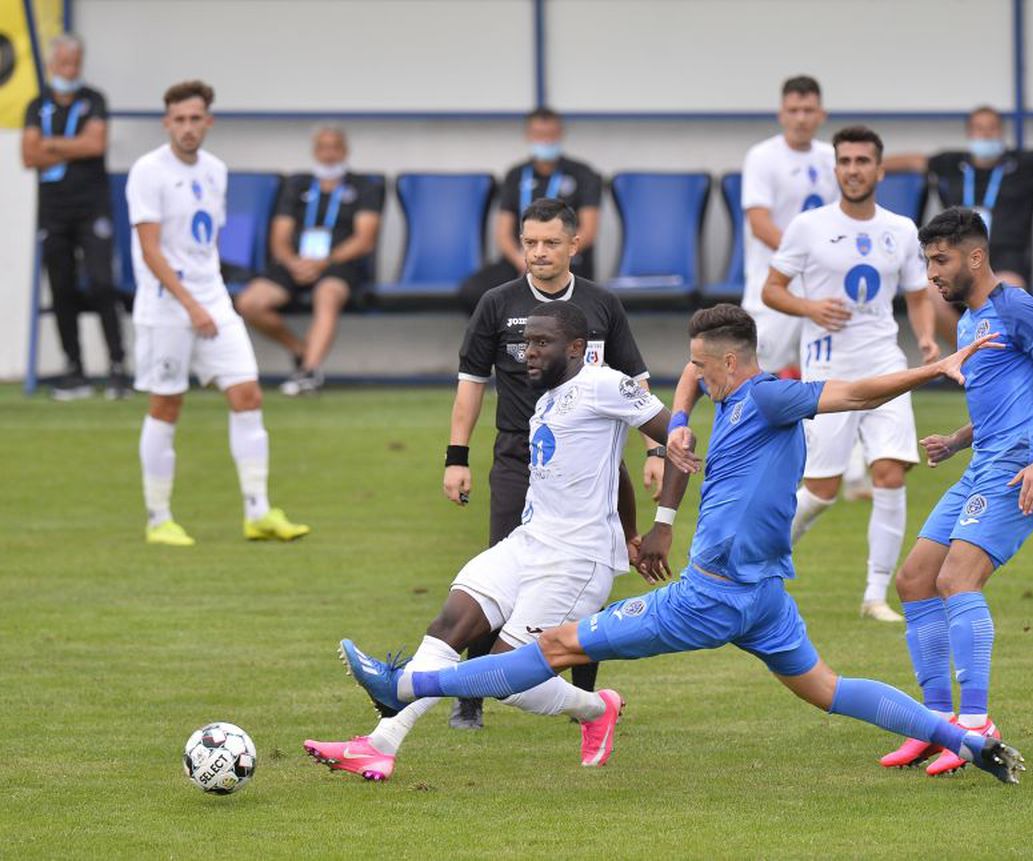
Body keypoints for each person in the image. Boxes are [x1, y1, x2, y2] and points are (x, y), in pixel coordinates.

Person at [314, 304, 1026, 785]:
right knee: (829, 690)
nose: (694, 372)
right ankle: (968, 740)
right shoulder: (723, 390)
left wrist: (934, 369)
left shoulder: (769, 397)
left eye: (701, 366)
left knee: (555, 646)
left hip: (707, 596)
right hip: (765, 601)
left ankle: (402, 686)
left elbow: (857, 393)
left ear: (731, 363)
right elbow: (685, 377)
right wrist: (679, 418)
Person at [303, 301, 672, 780]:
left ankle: (594, 709)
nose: (528, 354)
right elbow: (613, 467)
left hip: (576, 560)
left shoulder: (605, 384)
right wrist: (629, 532)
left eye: (542, 343)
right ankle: (380, 745)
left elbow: (678, 439)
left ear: (578, 348)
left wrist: (661, 524)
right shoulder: (547, 400)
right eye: (525, 343)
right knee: (452, 622)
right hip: (528, 542)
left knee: (507, 679)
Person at [880, 207, 1033, 776]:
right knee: (915, 579)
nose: (931, 275)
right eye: (927, 262)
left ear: (976, 257)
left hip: (1018, 469)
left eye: (940, 261)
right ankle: (935, 723)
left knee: (956, 580)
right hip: (983, 464)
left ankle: (975, 725)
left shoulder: (1017, 308)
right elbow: (1011, 396)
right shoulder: (970, 320)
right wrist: (959, 438)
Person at [442, 197, 661, 729]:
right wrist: (456, 457)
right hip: (519, 452)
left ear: (574, 245)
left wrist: (655, 449)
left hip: (587, 458)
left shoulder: (601, 304)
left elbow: (634, 381)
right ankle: (470, 697)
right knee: (500, 569)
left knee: (581, 586)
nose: (538, 253)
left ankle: (582, 697)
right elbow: (471, 385)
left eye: (550, 243)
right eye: (530, 243)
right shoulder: (497, 303)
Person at [753, 126, 938, 623]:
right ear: (836, 169)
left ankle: (876, 595)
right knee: (820, 491)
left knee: (890, 472)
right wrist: (810, 307)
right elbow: (773, 290)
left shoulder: (901, 229)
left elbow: (918, 293)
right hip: (829, 371)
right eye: (846, 161)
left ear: (880, 169)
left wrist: (923, 339)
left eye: (863, 161)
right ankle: (756, 565)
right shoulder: (809, 226)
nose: (853, 170)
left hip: (885, 363)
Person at [127, 80, 309, 546]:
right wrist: (189, 304)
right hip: (167, 308)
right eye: (179, 120)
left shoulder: (215, 170)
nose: (188, 128)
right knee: (166, 404)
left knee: (247, 393)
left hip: (213, 303)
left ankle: (258, 511)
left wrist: (212, 300)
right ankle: (157, 517)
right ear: (167, 123)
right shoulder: (148, 171)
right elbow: (151, 251)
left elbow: (203, 245)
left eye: (195, 119)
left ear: (208, 122)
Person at [884, 106, 1033, 341]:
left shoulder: (1025, 164)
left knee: (1005, 297)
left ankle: (991, 363)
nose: (986, 134)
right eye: (979, 129)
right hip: (958, 259)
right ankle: (967, 358)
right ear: (969, 134)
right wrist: (870, 167)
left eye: (992, 128)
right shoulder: (951, 164)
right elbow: (912, 161)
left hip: (1008, 260)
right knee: (928, 294)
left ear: (1001, 132)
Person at [235, 125, 383, 395]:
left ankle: (309, 373)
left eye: (335, 147)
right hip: (295, 263)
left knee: (327, 294)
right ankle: (300, 351)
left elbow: (364, 239)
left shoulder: (363, 186)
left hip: (339, 264)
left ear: (345, 151)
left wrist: (323, 262)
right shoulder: (297, 184)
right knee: (249, 302)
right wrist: (293, 262)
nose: (329, 155)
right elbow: (279, 235)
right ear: (314, 152)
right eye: (322, 148)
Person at [21, 33, 128, 400]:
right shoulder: (37, 105)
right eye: (65, 63)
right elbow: (29, 155)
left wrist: (51, 144)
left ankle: (117, 366)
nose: (71, 69)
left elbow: (95, 144)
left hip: (91, 208)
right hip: (54, 211)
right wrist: (69, 147)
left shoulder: (93, 100)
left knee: (101, 284)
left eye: (76, 63)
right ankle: (74, 369)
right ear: (53, 64)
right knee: (62, 287)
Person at [457, 108, 602, 314]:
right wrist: (522, 259)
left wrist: (553, 255)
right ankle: (500, 342)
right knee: (472, 291)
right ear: (528, 136)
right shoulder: (516, 175)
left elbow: (589, 230)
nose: (545, 140)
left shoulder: (583, 174)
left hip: (567, 261)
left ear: (560, 134)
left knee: (556, 299)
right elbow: (503, 232)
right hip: (520, 260)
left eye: (550, 134)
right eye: (539, 134)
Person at [740, 74, 838, 375]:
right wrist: (804, 256)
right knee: (756, 367)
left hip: (821, 281)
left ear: (821, 115)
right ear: (782, 114)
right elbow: (760, 223)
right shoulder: (762, 156)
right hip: (773, 280)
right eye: (794, 110)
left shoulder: (833, 157)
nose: (801, 119)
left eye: (808, 110)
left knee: (821, 370)